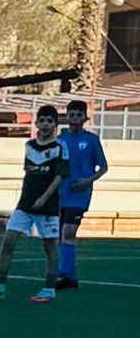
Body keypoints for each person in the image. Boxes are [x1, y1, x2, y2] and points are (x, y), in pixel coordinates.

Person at [0, 104, 66, 304]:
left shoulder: (60, 147)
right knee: (9, 240)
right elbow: (29, 174)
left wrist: (43, 199)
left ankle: (49, 288)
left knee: (50, 246)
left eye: (49, 121)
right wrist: (27, 199)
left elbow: (59, 177)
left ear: (55, 124)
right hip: (24, 205)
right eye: (42, 120)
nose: (45, 124)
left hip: (47, 206)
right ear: (36, 123)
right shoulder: (29, 146)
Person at [54, 99, 108, 290]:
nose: (75, 118)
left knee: (68, 231)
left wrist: (88, 180)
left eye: (78, 115)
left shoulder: (91, 140)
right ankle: (71, 277)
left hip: (80, 194)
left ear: (85, 117)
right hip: (61, 194)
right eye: (71, 115)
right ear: (66, 117)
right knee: (62, 235)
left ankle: (61, 274)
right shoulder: (60, 140)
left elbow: (104, 167)